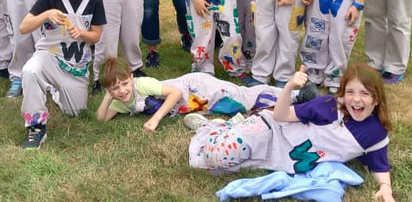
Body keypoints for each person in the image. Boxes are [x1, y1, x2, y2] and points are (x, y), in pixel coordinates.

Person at [188, 63, 396, 202]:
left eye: (365, 94)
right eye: (350, 92)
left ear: (376, 99)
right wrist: (288, 87)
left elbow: (380, 164)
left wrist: (385, 187)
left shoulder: (375, 132)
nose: (356, 99)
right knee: (218, 155)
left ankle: (230, 127)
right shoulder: (329, 106)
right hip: (270, 130)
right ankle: (211, 128)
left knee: (207, 166)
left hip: (280, 158)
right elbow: (280, 115)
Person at [18, 0, 106, 149]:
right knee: (30, 70)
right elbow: (24, 27)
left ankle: (53, 90)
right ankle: (36, 127)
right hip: (49, 57)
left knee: (76, 112)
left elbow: (97, 36)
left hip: (76, 66)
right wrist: (46, 14)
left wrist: (82, 33)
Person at [96, 57, 318, 132]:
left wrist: (156, 118)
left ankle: (298, 92)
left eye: (124, 84)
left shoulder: (142, 85)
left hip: (195, 87)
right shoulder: (120, 100)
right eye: (114, 88)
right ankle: (296, 104)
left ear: (131, 79)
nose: (122, 91)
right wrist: (108, 97)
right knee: (240, 108)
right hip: (197, 104)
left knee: (242, 96)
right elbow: (101, 119)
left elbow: (174, 93)